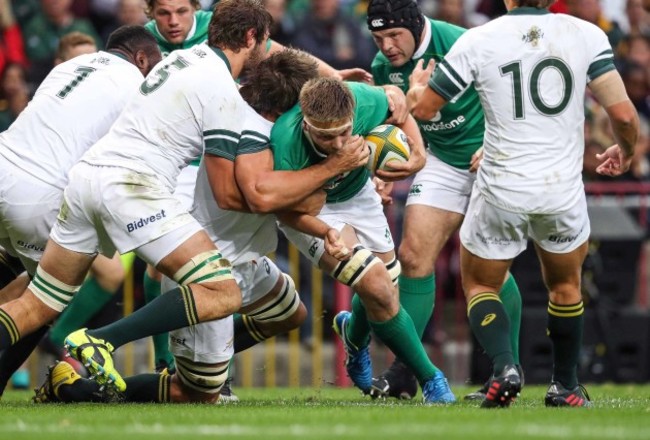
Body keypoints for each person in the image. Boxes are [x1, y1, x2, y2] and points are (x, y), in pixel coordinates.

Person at [33, 48, 365, 404]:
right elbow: (267, 199)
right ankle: (76, 382)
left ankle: (200, 361)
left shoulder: (261, 127)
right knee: (194, 394)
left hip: (242, 257)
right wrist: (333, 171)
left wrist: (325, 228)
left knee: (287, 312)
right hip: (212, 264)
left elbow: (285, 206)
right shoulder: (253, 138)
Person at [0, 0, 274, 396]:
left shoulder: (81, 67)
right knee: (221, 290)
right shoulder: (175, 83)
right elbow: (225, 191)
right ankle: (102, 341)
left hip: (42, 169)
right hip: (87, 188)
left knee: (32, 297)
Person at [409, 0, 639, 408]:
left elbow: (427, 108)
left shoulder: (478, 39)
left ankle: (505, 368)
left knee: (481, 284)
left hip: (501, 186)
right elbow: (622, 115)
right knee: (566, 287)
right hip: (561, 189)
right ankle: (565, 386)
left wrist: (414, 94)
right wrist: (625, 150)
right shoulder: (586, 34)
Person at [364, 0, 524, 401]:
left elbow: (513, 98)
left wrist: (496, 145)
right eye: (378, 37)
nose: (387, 46)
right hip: (442, 160)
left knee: (490, 269)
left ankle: (507, 370)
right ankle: (406, 370)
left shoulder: (463, 42)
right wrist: (385, 170)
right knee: (413, 254)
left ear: (417, 25)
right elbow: (399, 123)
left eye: (394, 35)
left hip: (492, 156)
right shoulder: (383, 67)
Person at [261, 76, 455, 404]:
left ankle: (353, 336)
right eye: (326, 136)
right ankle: (432, 379)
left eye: (344, 133)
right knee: (377, 285)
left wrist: (418, 156)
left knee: (386, 285)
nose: (337, 143)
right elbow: (284, 209)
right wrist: (324, 231)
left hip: (360, 196)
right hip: (310, 211)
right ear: (307, 125)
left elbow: (401, 111)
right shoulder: (285, 139)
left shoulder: (364, 100)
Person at [0, 24, 162, 398]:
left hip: (5, 160)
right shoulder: (137, 87)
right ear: (140, 58)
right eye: (153, 65)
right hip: (37, 193)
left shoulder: (70, 67)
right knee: (48, 298)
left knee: (13, 269)